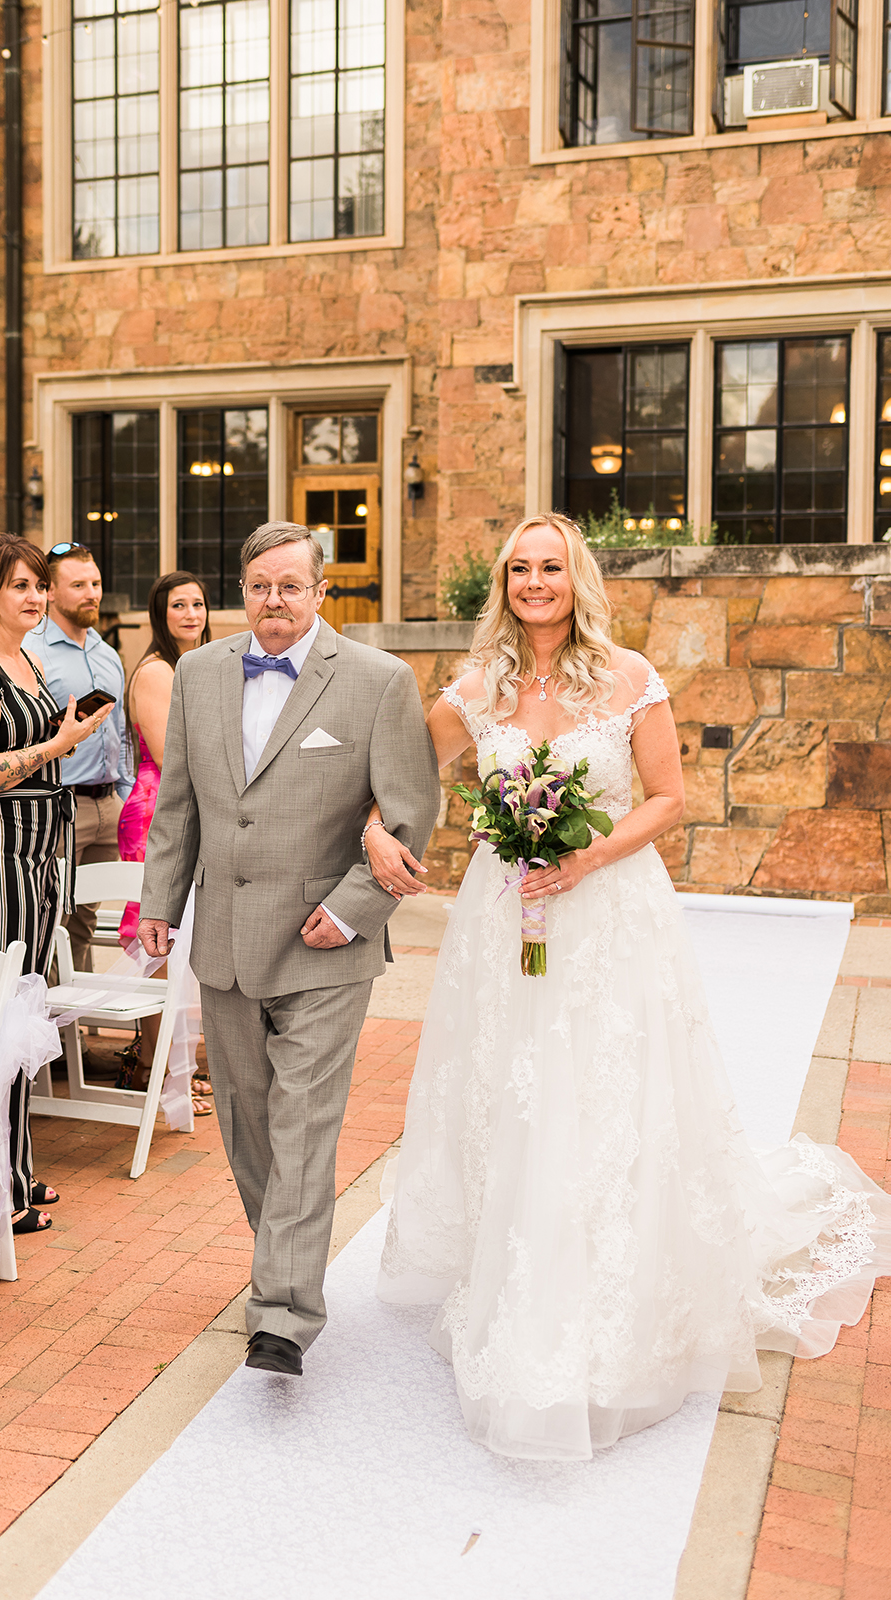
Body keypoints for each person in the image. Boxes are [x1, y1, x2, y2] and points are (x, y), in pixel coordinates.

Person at [370, 514, 891, 1462]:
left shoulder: (629, 677)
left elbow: (668, 799)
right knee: (512, 1080)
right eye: (520, 568)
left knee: (601, 1088)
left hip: (605, 912)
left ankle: (607, 1279)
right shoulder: (476, 684)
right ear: (503, 582)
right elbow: (406, 768)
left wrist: (585, 854)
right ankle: (508, 1254)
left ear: (578, 579)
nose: (536, 583)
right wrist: (376, 825)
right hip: (505, 918)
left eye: (552, 567)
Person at [139, 521, 440, 1377]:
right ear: (244, 590)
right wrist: (161, 902)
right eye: (260, 586)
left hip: (324, 942)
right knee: (244, 1121)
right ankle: (287, 1264)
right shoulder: (197, 674)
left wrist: (353, 909)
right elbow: (181, 806)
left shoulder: (379, 682)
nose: (275, 600)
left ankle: (282, 1311)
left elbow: (410, 810)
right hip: (226, 939)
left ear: (320, 593)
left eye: (291, 587)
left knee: (303, 1122)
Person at [0, 534, 112, 1234]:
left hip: (36, 844)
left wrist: (67, 729)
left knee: (23, 1008)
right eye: (19, 587)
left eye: (40, 586)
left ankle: (14, 1163)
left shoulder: (28, 657)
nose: (35, 598)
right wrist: (60, 745)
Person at [118, 571, 212, 1110]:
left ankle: (179, 1066)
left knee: (188, 943)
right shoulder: (156, 672)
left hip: (196, 810)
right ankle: (158, 1073)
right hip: (160, 811)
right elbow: (172, 752)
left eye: (198, 604)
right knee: (158, 942)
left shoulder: (196, 665)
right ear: (160, 612)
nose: (191, 613)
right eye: (178, 604)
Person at [38, 543, 132, 976]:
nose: (91, 593)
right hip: (59, 804)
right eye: (78, 585)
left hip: (107, 804)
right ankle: (39, 1039)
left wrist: (125, 797)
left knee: (84, 922)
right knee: (49, 921)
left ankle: (64, 1034)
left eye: (94, 583)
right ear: (51, 592)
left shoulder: (106, 652)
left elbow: (121, 731)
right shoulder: (33, 652)